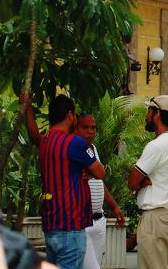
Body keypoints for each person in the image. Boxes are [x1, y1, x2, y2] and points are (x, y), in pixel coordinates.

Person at [25, 95, 105, 269]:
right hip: (71, 227)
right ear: (70, 115)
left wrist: (28, 108)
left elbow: (33, 137)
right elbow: (100, 172)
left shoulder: (46, 141)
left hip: (52, 226)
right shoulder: (75, 142)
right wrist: (89, 171)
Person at [127, 95, 168, 269]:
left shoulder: (156, 146)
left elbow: (132, 182)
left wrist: (142, 181)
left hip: (155, 218)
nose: (146, 115)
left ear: (157, 114)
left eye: (148, 111)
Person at [75, 114, 125, 269]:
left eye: (93, 127)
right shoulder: (74, 150)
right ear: (76, 129)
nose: (90, 131)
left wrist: (115, 206)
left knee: (97, 264)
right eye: (85, 127)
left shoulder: (93, 149)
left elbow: (99, 182)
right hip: (83, 222)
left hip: (99, 221)